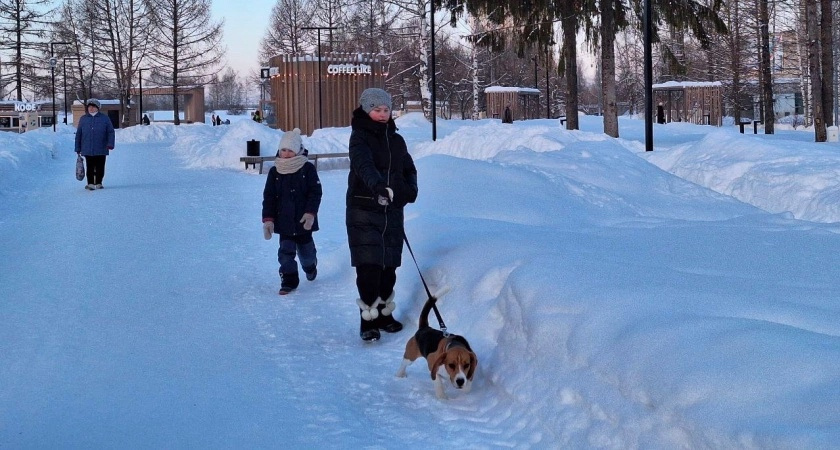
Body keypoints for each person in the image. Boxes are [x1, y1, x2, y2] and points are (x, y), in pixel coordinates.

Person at [347, 88, 418, 342]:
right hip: (364, 210)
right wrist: (377, 186)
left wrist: (410, 190)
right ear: (367, 110)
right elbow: (362, 165)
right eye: (377, 110)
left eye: (386, 110)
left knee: (389, 267)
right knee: (369, 267)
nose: (382, 114)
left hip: (391, 213)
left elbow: (408, 168)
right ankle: (367, 320)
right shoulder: (359, 138)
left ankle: (384, 314)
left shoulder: (396, 140)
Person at [262, 128, 322, 295]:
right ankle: (289, 281)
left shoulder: (307, 169)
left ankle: (311, 267)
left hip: (304, 221)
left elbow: (315, 192)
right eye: (283, 150)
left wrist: (310, 213)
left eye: (290, 150)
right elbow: (269, 197)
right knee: (285, 253)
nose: (286, 154)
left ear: (298, 151)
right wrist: (268, 220)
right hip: (284, 222)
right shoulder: (275, 171)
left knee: (306, 254)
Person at [75, 98, 115, 190]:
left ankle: (99, 182)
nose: (91, 109)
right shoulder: (83, 119)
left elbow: (110, 132)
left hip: (101, 147)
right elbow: (79, 134)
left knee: (100, 166)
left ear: (98, 108)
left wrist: (110, 144)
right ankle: (90, 183)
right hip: (87, 147)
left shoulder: (105, 118)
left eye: (93, 107)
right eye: (89, 107)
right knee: (90, 166)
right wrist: (78, 147)